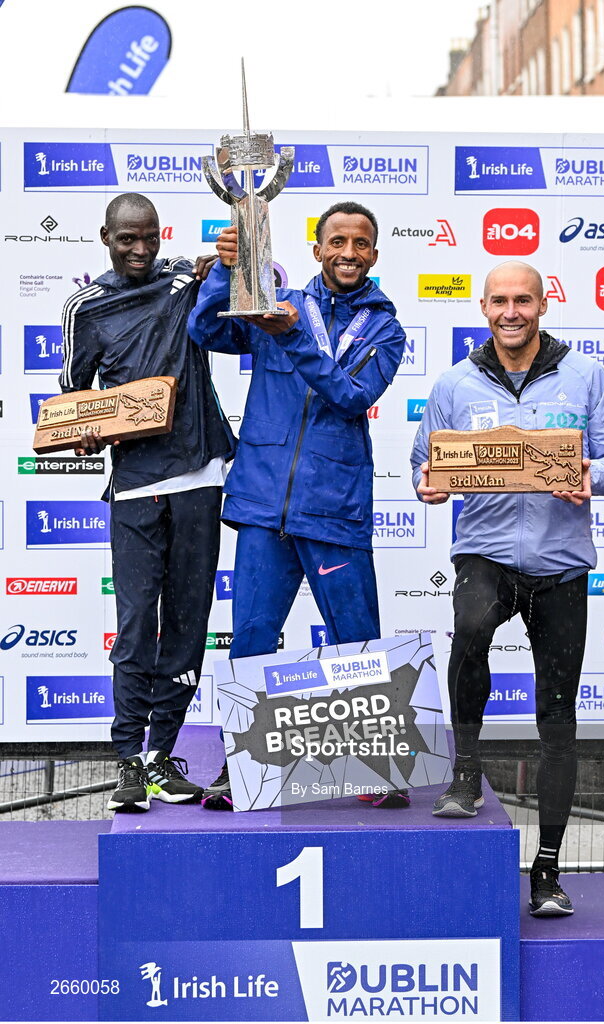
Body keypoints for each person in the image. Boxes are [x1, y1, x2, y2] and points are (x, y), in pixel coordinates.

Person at [411, 261, 604, 915]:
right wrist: (428, 484)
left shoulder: (585, 375)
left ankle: (546, 873)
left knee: (557, 721)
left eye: (523, 300)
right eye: (499, 301)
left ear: (541, 305)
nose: (511, 311)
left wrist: (593, 477)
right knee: (472, 628)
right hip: (484, 555)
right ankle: (464, 771)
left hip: (560, 564)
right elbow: (424, 462)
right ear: (482, 307)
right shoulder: (453, 382)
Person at [187, 201, 407, 809]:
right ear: (317, 249)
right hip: (262, 501)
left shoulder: (385, 328)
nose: (348, 252)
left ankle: (377, 768)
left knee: (356, 640)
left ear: (374, 255)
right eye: (337, 240)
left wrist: (295, 337)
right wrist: (224, 273)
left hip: (334, 505)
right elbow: (206, 332)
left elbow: (349, 394)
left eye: (360, 244)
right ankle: (244, 768)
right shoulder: (275, 300)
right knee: (253, 636)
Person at [60, 193, 236, 813]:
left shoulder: (187, 279)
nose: (138, 251)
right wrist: (84, 431)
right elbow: (74, 401)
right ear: (105, 236)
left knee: (188, 627)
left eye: (147, 239)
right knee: (136, 628)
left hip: (199, 473)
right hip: (134, 484)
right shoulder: (85, 307)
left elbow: (255, 287)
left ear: (160, 236)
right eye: (125, 239)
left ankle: (162, 756)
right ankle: (127, 763)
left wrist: (234, 256)